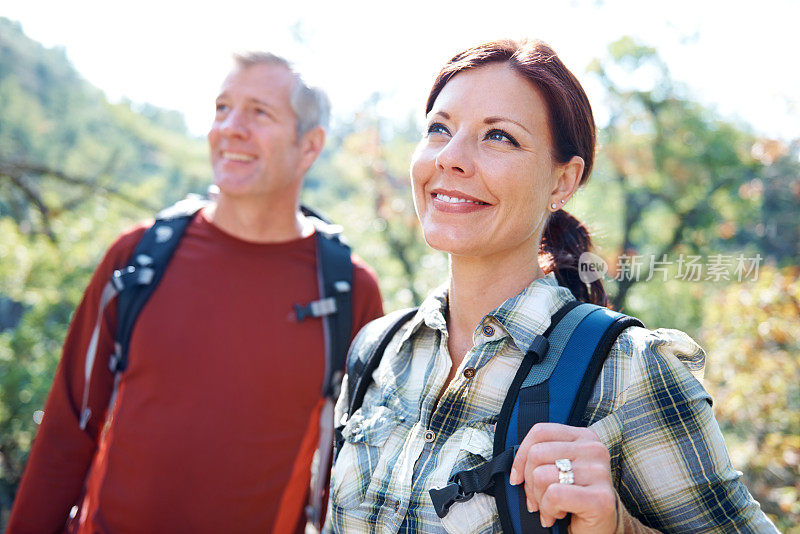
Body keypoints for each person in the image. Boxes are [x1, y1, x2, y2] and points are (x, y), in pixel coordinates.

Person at [326, 40, 778, 533]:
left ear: (563, 181)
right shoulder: (378, 352)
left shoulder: (626, 369)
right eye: (439, 128)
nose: (451, 158)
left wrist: (618, 526)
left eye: (498, 136)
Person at [8, 52, 383, 533]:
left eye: (259, 112)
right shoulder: (138, 256)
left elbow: (346, 472)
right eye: (222, 108)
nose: (230, 127)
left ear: (309, 146)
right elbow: (67, 430)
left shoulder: (350, 291)